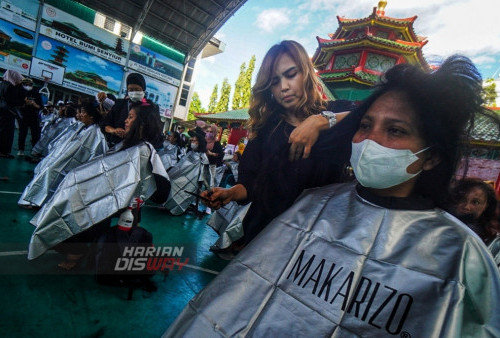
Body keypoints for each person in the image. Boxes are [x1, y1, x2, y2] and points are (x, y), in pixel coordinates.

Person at [166, 55, 500, 337]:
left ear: (432, 156)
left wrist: (322, 120)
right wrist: (231, 192)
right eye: (365, 126)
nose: (370, 141)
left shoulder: (460, 255)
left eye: (395, 131)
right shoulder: (309, 200)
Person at [202, 40, 358, 248]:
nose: (284, 87)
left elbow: (371, 115)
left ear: (306, 73)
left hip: (317, 239)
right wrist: (229, 193)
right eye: (275, 81)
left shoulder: (334, 112)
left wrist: (321, 121)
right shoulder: (266, 129)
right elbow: (251, 186)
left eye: (291, 74)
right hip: (268, 235)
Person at [29, 101, 170, 268]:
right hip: (110, 192)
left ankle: (77, 248)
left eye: (131, 117)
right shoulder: (129, 145)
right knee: (72, 191)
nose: (125, 120)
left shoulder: (143, 151)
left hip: (122, 200)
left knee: (84, 204)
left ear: (142, 124)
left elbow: (142, 185)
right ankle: (72, 242)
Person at [19, 99, 108, 208]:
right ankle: (34, 199)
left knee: (50, 172)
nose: (79, 115)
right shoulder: (81, 127)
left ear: (92, 115)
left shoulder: (95, 133)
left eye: (83, 112)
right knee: (45, 167)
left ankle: (35, 201)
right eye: (79, 112)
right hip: (62, 158)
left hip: (73, 165)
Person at [102, 73, 157, 147]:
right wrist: (114, 130)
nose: (134, 92)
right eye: (131, 90)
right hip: (116, 146)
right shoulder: (119, 104)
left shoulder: (150, 109)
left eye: (137, 89)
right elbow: (105, 124)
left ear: (143, 90)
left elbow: (153, 132)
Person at [451, 177, 500, 244]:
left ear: (486, 206)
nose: (466, 207)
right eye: (462, 199)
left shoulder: (492, 241)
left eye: (475, 202)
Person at [0, 70, 25, 158]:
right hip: (8, 112)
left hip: (2, 110)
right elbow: (13, 101)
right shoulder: (10, 87)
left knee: (2, 130)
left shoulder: (2, 84)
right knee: (7, 132)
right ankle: (3, 151)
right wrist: (23, 101)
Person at [17, 77, 43, 156]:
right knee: (22, 133)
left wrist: (34, 104)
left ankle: (34, 150)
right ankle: (21, 149)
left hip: (34, 116)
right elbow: (17, 105)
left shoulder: (36, 93)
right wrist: (24, 103)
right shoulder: (20, 92)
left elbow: (41, 106)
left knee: (35, 134)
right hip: (23, 116)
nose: (28, 86)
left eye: (29, 84)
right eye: (26, 84)